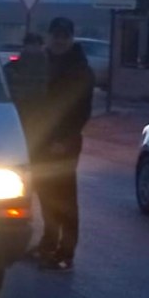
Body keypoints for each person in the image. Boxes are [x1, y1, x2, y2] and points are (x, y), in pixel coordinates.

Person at [26, 17, 95, 271]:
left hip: (64, 143)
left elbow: (81, 112)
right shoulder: (42, 64)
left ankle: (66, 252)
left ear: (71, 38)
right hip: (41, 140)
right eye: (56, 35)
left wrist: (63, 140)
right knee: (45, 193)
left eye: (65, 36)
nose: (60, 40)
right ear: (49, 36)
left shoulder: (80, 70)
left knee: (64, 197)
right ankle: (48, 242)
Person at [3, 31, 48, 158]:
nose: (33, 48)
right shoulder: (14, 66)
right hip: (22, 113)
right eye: (31, 44)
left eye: (36, 45)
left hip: (37, 115)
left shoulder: (48, 66)